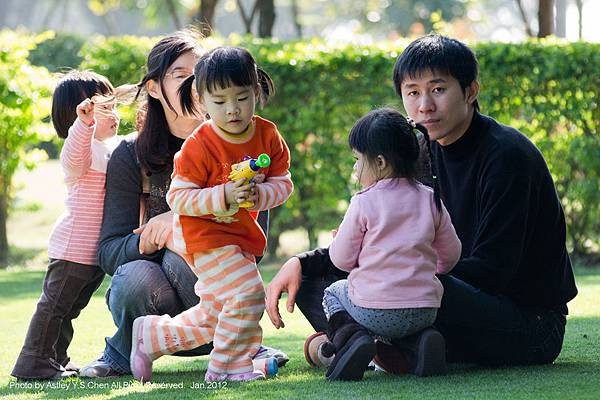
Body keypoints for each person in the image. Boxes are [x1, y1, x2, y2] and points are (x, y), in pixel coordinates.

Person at [266, 34, 577, 373]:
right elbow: (381, 233)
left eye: (438, 90)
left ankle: (351, 345)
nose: (424, 105)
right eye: (413, 92)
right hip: (439, 299)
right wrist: (303, 262)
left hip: (527, 324)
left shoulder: (506, 157)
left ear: (471, 91)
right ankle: (397, 349)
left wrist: (394, 269)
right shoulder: (417, 152)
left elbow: (494, 271)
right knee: (319, 280)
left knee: (409, 286)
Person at [80, 32, 288, 378]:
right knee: (135, 277)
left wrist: (180, 222)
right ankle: (135, 347)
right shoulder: (134, 154)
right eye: (182, 76)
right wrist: (162, 233)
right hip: (163, 286)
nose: (193, 85)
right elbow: (109, 251)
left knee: (207, 272)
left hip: (218, 278)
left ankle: (237, 345)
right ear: (154, 88)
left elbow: (255, 234)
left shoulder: (248, 139)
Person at [308, 108, 461, 381]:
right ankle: (421, 343)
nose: (355, 168)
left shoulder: (364, 201)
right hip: (426, 310)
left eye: (357, 160)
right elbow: (450, 257)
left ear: (379, 162)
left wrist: (341, 244)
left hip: (375, 311)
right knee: (406, 320)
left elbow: (341, 260)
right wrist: (425, 268)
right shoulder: (430, 197)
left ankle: (353, 341)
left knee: (333, 292)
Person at [12, 70, 122, 380]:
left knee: (68, 310)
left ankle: (55, 358)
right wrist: (84, 123)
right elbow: (75, 157)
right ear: (81, 113)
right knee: (54, 307)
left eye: (115, 107)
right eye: (105, 109)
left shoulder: (108, 149)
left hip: (92, 254)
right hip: (73, 248)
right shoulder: (80, 150)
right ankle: (33, 362)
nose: (114, 115)